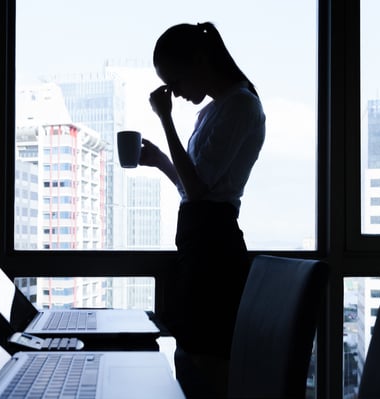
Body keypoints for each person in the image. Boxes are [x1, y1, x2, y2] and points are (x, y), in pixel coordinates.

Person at [139, 22, 266, 398]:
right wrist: (161, 160)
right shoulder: (215, 111)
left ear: (199, 61)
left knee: (206, 365)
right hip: (202, 247)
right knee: (192, 359)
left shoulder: (240, 105)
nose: (174, 92)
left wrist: (165, 119)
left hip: (215, 252)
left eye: (174, 80)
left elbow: (197, 188)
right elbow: (192, 187)